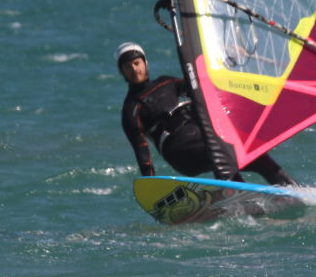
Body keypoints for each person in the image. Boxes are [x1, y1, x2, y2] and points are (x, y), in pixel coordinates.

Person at [117, 42, 296, 186]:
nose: (134, 69)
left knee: (254, 154)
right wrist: (150, 185)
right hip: (180, 152)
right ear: (122, 72)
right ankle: (241, 199)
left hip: (204, 138)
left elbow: (201, 82)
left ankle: (294, 191)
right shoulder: (132, 109)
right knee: (220, 151)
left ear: (145, 63)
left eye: (137, 63)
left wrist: (228, 58)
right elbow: (142, 151)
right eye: (127, 67)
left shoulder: (166, 82)